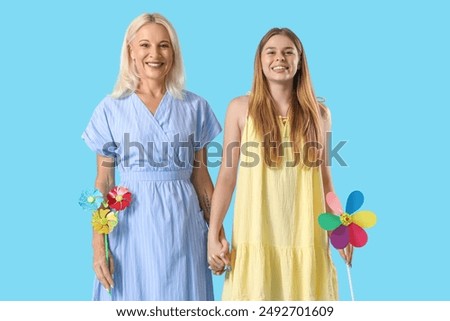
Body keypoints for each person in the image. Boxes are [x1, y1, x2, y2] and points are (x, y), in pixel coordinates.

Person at [82, 13, 223, 300]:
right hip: (131, 226)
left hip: (183, 226)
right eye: (144, 45)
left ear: (174, 52)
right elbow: (104, 182)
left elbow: (201, 177)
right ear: (130, 51)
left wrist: (216, 234)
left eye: (164, 45)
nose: (154, 54)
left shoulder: (194, 107)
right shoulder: (110, 109)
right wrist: (99, 245)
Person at [207, 27, 352, 300]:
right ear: (260, 61)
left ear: (300, 61)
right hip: (256, 232)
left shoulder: (319, 115)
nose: (279, 58)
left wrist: (339, 226)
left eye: (288, 52)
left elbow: (325, 179)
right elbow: (227, 177)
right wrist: (213, 233)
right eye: (271, 52)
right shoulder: (240, 109)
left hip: (305, 234)